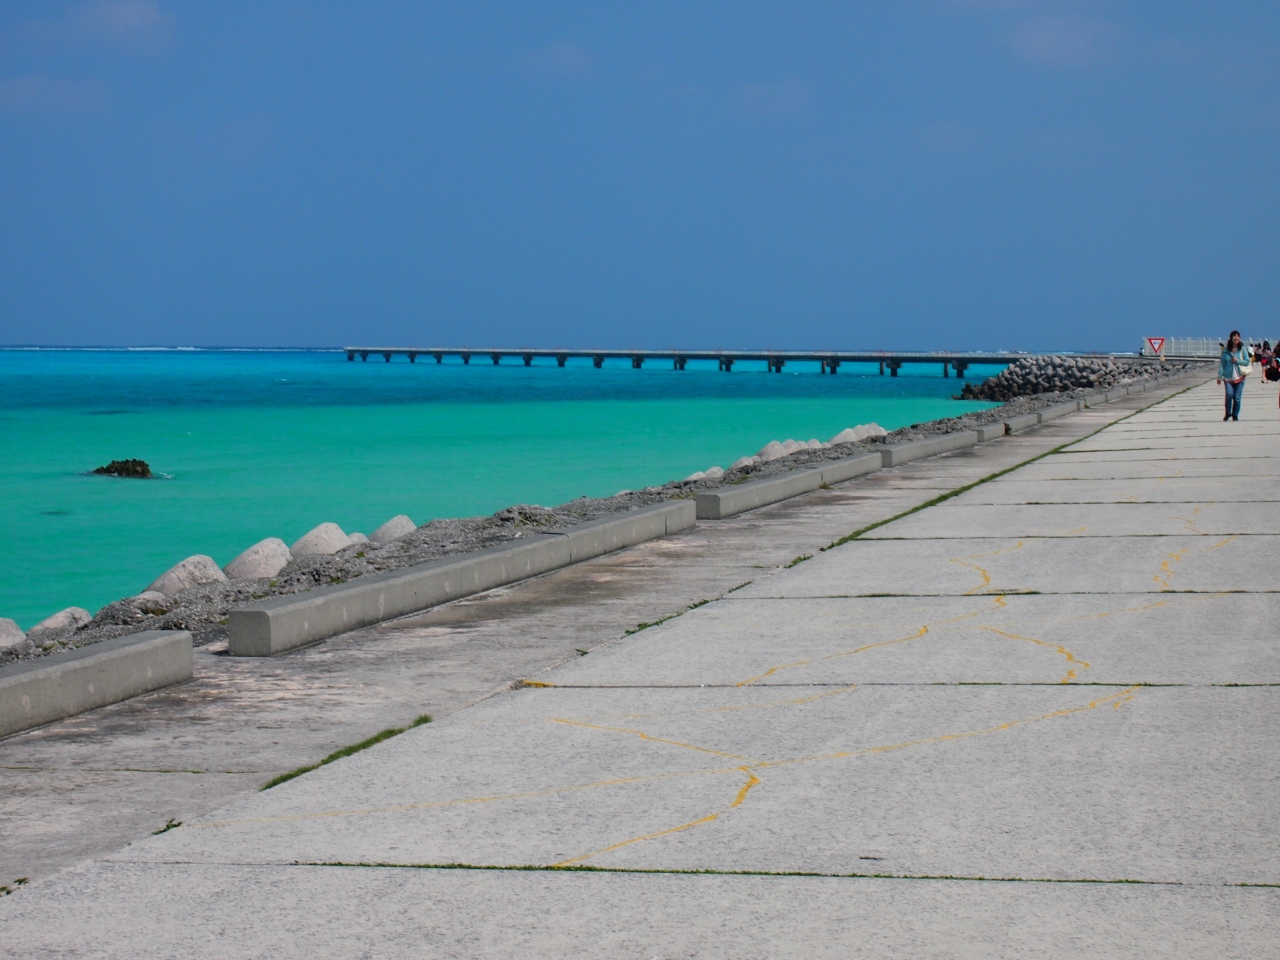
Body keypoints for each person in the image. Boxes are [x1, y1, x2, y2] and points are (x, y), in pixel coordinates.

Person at [1217, 330, 1251, 421]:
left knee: (1237, 397)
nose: (1236, 338)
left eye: (1238, 336)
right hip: (1228, 378)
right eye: (1234, 336)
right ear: (1231, 338)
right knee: (1229, 394)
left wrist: (1238, 361)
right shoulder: (1225, 351)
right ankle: (1228, 413)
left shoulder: (1242, 350)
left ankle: (1235, 415)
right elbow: (1222, 365)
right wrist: (1219, 376)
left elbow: (1247, 362)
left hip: (1240, 377)